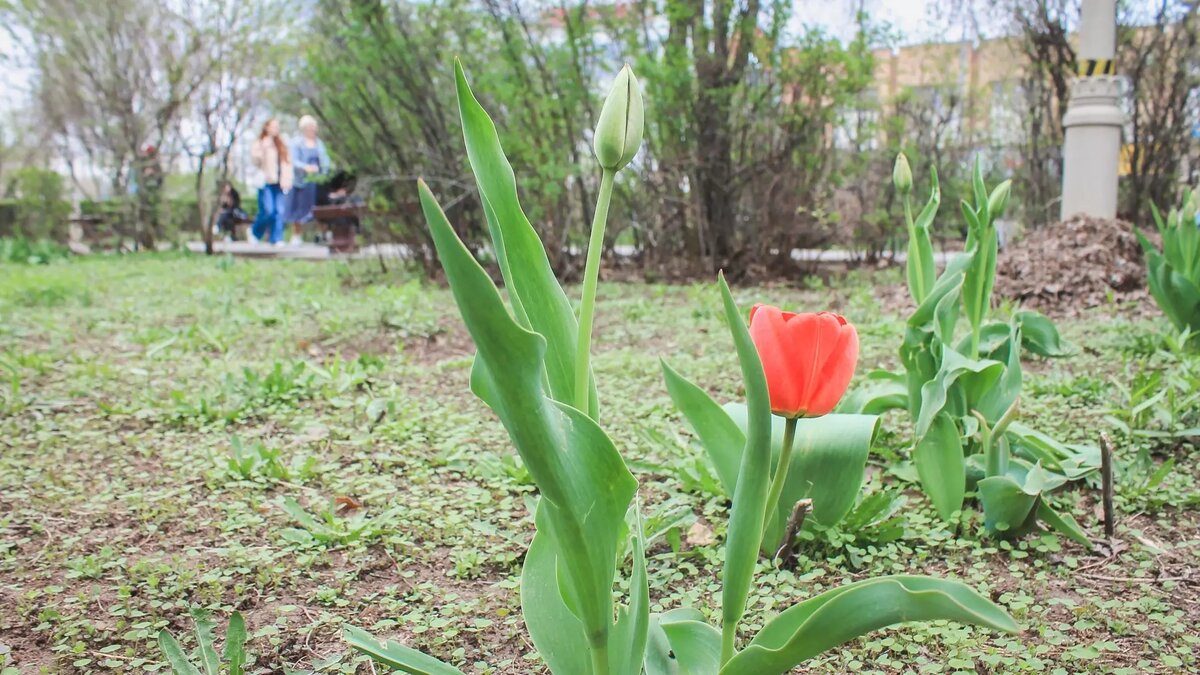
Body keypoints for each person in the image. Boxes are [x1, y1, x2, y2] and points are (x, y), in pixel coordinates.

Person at [285, 115, 331, 245]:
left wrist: (324, 171)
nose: (313, 129)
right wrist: (306, 168)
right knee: (299, 209)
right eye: (311, 127)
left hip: (317, 182)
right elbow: (293, 161)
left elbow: (326, 160)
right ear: (304, 128)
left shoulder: (319, 143)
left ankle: (321, 234)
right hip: (301, 181)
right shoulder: (296, 143)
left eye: (314, 127)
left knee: (319, 208)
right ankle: (296, 235)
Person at [250, 118, 293, 245]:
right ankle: (255, 232)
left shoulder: (281, 143)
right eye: (273, 126)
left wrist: (288, 179)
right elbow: (255, 161)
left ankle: (276, 238)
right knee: (268, 210)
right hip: (266, 181)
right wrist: (264, 147)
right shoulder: (260, 142)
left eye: (277, 127)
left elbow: (287, 163)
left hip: (280, 182)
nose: (276, 129)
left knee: (279, 210)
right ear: (266, 127)